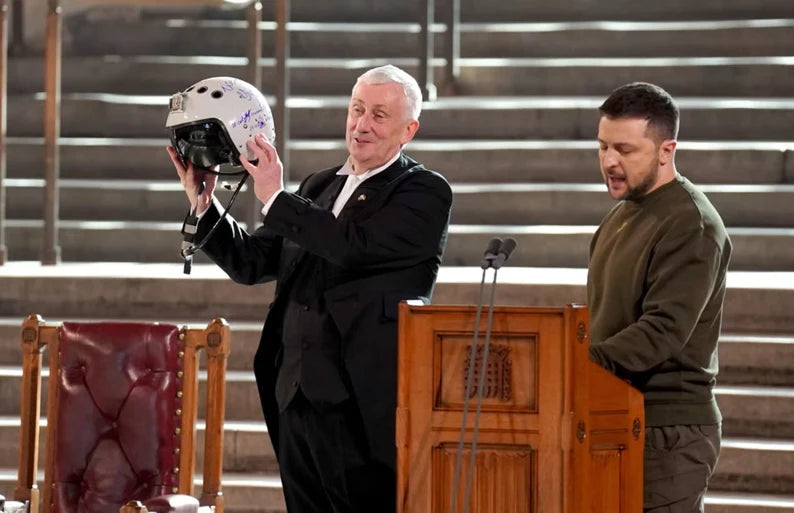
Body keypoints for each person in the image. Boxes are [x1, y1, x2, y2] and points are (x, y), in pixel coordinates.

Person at [166, 65, 452, 513]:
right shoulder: (319, 185)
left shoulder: (424, 192)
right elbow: (253, 263)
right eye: (357, 110)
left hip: (361, 403)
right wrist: (205, 205)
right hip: (295, 394)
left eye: (379, 115)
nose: (362, 125)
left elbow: (352, 249)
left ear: (408, 129)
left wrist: (276, 197)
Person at [587, 82, 731, 513]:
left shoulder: (691, 223)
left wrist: (576, 364)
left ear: (666, 150)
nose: (610, 161)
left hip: (668, 429)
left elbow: (662, 331)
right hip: (617, 414)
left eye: (625, 150)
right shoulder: (622, 213)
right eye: (603, 147)